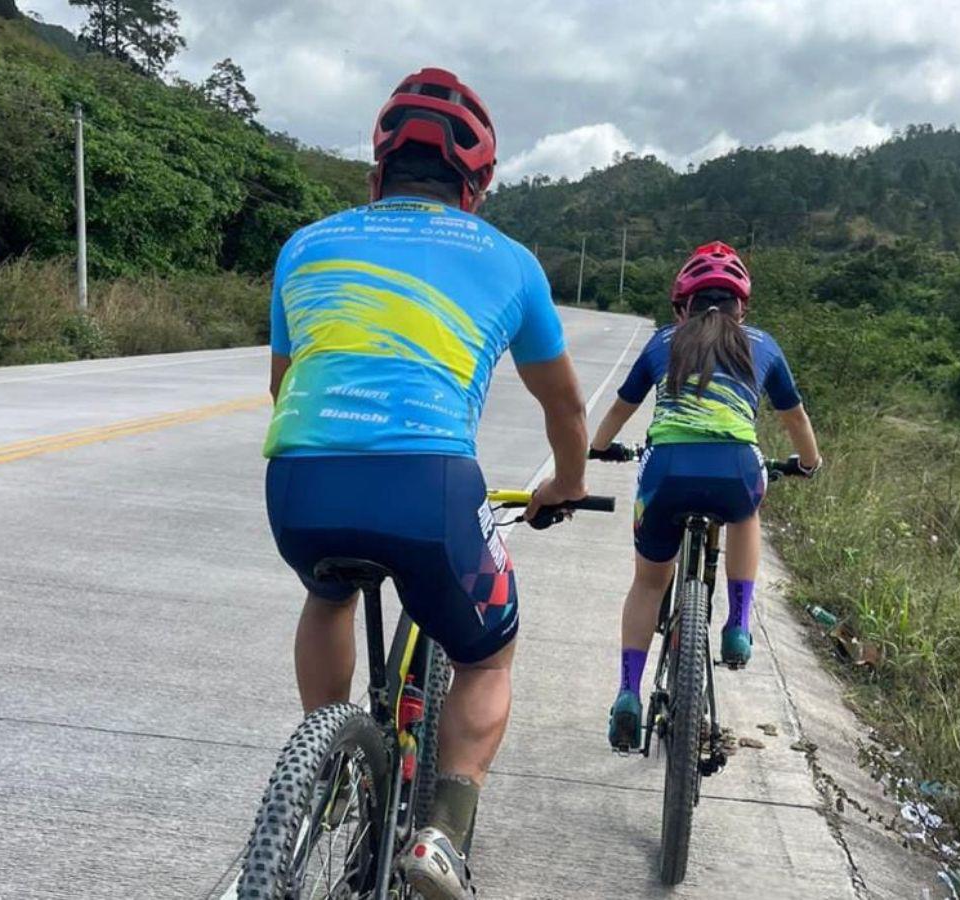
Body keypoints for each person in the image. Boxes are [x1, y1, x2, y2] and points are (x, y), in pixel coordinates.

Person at [262, 67, 588, 898]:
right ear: (475, 189)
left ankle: (325, 762)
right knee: (488, 653)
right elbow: (564, 409)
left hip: (299, 481)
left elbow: (283, 385)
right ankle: (443, 832)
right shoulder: (510, 262)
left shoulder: (306, 244)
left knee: (329, 594)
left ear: (376, 176)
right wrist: (565, 486)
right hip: (430, 487)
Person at [588, 241, 822, 751]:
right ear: (743, 307)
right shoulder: (762, 344)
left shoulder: (661, 343)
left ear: (680, 306)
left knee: (649, 584)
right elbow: (796, 419)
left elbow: (621, 409)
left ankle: (628, 693)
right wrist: (808, 463)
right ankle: (737, 624)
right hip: (736, 468)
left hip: (666, 472)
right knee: (746, 513)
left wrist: (600, 448)